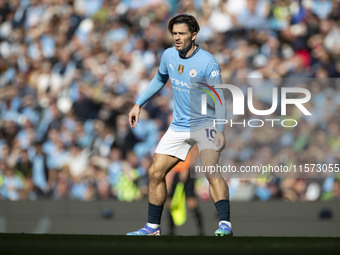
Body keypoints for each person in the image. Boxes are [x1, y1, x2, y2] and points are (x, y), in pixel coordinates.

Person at [127, 14, 232, 236]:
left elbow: (219, 98)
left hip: (206, 124)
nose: (176, 37)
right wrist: (139, 103)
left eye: (181, 33)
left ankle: (225, 225)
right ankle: (152, 228)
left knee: (211, 169)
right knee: (155, 172)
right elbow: (159, 78)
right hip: (179, 125)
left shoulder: (208, 62)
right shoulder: (168, 55)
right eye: (174, 33)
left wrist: (220, 130)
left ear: (194, 35)